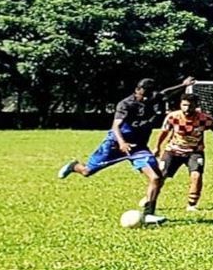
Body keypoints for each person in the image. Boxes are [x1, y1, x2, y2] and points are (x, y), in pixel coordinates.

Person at [58, 76, 195, 224]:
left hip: (138, 147)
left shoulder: (152, 98)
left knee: (155, 178)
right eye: (143, 95)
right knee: (87, 171)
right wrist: (122, 143)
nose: (145, 98)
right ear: (137, 90)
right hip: (115, 145)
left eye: (148, 95)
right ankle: (74, 166)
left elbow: (166, 93)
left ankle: (149, 214)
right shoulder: (125, 104)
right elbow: (116, 126)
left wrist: (183, 85)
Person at [154, 93, 213, 211]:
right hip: (173, 150)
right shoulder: (173, 117)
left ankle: (192, 204)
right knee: (161, 175)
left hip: (194, 151)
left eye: (190, 106)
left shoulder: (204, 118)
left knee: (196, 175)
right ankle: (150, 198)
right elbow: (164, 132)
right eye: (184, 105)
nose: (187, 109)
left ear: (196, 106)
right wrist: (157, 147)